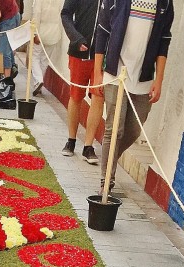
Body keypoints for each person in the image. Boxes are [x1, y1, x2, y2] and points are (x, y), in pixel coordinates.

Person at [93, 1, 174, 190]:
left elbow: (164, 40)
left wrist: (159, 80)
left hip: (144, 77)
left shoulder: (165, 3)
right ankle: (106, 180)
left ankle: (109, 159)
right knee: (114, 129)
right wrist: (98, 72)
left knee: (134, 130)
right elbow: (102, 30)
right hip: (115, 72)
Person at [60, 0, 104, 165]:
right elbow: (65, 14)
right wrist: (75, 38)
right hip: (79, 50)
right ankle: (71, 140)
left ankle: (88, 146)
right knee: (76, 96)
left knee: (98, 97)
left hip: (102, 56)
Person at [0, 0, 21, 110]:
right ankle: (10, 72)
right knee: (5, 50)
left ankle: (7, 87)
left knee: (3, 51)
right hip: (5, 14)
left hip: (9, 16)